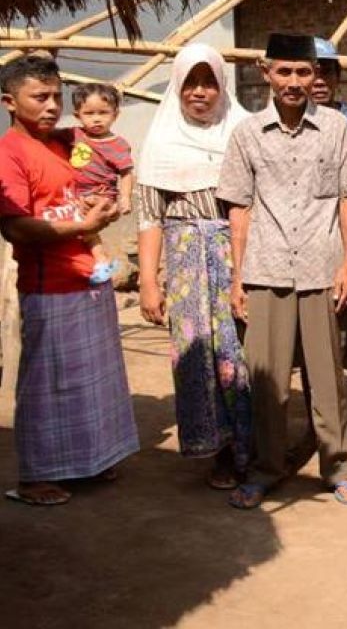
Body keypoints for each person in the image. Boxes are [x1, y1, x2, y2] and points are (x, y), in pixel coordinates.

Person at [217, 33, 347, 509]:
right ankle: (266, 468)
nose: (295, 82)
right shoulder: (246, 134)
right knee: (267, 381)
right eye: (285, 72)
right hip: (265, 269)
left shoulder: (337, 129)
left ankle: (338, 466)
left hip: (322, 269)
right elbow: (238, 209)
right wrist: (238, 277)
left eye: (304, 72)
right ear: (266, 73)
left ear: (315, 76)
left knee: (327, 378)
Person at [0, 55, 138, 505]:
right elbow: (16, 227)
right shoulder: (9, 154)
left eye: (56, 96)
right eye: (39, 97)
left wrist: (111, 204)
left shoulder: (65, 143)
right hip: (49, 286)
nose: (51, 106)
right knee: (47, 382)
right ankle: (35, 476)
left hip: (88, 280)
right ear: (9, 102)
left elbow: (105, 167)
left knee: (92, 379)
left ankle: (88, 461)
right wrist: (82, 227)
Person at [136, 43, 253, 489]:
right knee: (196, 355)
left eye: (209, 82)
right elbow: (150, 217)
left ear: (223, 85)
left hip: (235, 254)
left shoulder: (241, 129)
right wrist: (149, 280)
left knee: (238, 351)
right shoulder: (161, 138)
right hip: (184, 260)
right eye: (191, 82)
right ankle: (219, 450)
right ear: (177, 86)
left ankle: (250, 448)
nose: (200, 92)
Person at [289, 34, 347, 471]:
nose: (320, 79)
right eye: (312, 70)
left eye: (327, 71)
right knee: (313, 348)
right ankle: (316, 427)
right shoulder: (283, 126)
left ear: (338, 77)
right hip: (304, 254)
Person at [68, 82, 134, 284]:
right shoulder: (73, 135)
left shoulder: (118, 145)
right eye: (89, 113)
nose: (96, 119)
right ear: (78, 115)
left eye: (103, 113)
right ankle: (99, 262)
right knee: (80, 229)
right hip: (76, 194)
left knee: (86, 228)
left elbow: (126, 173)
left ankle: (102, 261)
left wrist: (125, 198)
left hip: (101, 195)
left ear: (115, 114)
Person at [312, 36, 347, 127]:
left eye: (326, 72)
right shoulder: (286, 125)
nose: (319, 82)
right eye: (313, 73)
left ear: (338, 76)